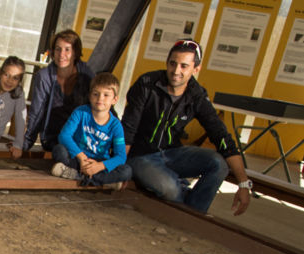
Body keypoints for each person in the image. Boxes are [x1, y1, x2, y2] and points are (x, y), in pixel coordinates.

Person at [121, 39, 251, 215]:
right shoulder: (146, 84)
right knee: (170, 188)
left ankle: (192, 214)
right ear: (167, 63)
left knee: (219, 164)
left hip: (172, 154)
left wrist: (243, 183)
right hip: (140, 156)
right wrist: (119, 166)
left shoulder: (196, 95)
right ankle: (187, 213)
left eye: (184, 66)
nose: (176, 71)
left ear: (196, 69)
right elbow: (128, 130)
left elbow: (221, 137)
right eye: (173, 64)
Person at [51, 72, 131, 189]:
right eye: (96, 94)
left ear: (114, 99)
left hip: (99, 163)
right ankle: (102, 181)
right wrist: (82, 157)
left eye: (106, 95)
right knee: (59, 150)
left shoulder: (116, 125)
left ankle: (79, 176)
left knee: (126, 171)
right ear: (89, 96)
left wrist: (99, 166)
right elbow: (64, 136)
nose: (100, 98)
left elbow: (121, 156)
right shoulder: (80, 112)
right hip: (78, 159)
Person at [23, 29, 95, 156]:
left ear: (75, 52)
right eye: (58, 49)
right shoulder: (44, 76)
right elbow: (37, 111)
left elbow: (101, 103)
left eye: (67, 49)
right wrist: (26, 143)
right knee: (62, 152)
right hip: (54, 137)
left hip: (81, 136)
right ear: (52, 52)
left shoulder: (86, 74)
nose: (61, 54)